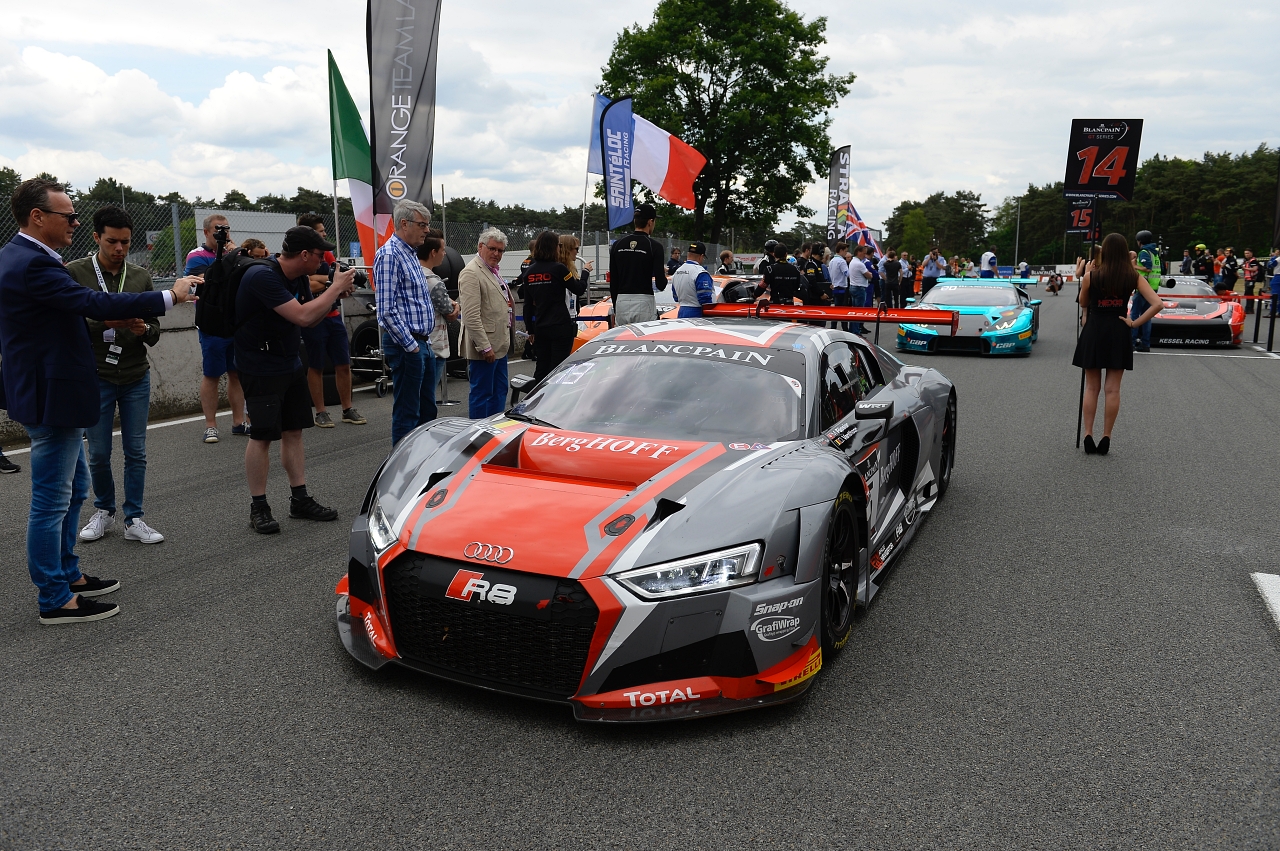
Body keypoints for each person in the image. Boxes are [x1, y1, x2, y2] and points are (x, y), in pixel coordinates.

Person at [0, 178, 196, 623]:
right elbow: (89, 301)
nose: (74, 222)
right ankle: (54, 597)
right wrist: (171, 295)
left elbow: (66, 311)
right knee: (52, 501)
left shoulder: (22, 256)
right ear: (37, 217)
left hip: (53, 392)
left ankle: (68, 574)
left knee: (74, 492)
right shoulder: (32, 262)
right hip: (53, 397)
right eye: (67, 216)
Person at [235, 226, 354, 533]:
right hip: (259, 365)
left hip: (289, 361)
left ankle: (299, 499)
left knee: (294, 431)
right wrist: (334, 289)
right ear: (303, 255)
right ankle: (258, 507)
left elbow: (309, 318)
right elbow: (301, 316)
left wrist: (332, 296)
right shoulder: (262, 276)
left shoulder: (298, 277)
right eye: (319, 255)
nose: (323, 260)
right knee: (262, 435)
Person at [65, 205, 165, 544]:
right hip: (96, 375)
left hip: (135, 374)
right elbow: (68, 325)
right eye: (112, 242)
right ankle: (104, 510)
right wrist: (103, 322)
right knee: (98, 452)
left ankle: (134, 517)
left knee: (136, 451)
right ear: (96, 237)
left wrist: (143, 329)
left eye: (125, 242)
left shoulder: (140, 276)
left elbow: (155, 329)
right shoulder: (75, 272)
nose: (120, 248)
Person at [1072, 232, 1163, 456]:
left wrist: (1087, 276)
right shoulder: (1132, 276)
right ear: (1124, 252)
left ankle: (1088, 434)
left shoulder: (1092, 276)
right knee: (1112, 389)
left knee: (1092, 387)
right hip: (1119, 329)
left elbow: (1083, 302)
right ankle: (1106, 436)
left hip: (1094, 329)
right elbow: (1157, 303)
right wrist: (1134, 323)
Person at [374, 200, 436, 444]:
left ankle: (422, 459)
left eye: (427, 225)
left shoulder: (409, 254)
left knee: (427, 412)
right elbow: (386, 310)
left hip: (422, 343)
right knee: (407, 413)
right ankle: (403, 463)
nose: (427, 230)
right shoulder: (390, 255)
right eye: (422, 224)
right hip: (408, 344)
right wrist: (411, 346)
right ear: (404, 223)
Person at [297, 213, 365, 429]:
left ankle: (347, 409)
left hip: (333, 316)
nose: (325, 234)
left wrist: (326, 282)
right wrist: (332, 284)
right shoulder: (300, 255)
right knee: (316, 365)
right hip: (313, 318)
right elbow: (307, 283)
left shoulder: (326, 253)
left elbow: (338, 278)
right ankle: (321, 412)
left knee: (343, 364)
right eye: (321, 231)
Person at [188, 213, 247, 443]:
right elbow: (213, 279)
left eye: (226, 228)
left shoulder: (235, 253)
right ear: (206, 232)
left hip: (234, 321)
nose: (224, 233)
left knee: (236, 373)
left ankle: (239, 422)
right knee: (212, 374)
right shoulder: (197, 256)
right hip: (211, 323)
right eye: (218, 229)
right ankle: (210, 425)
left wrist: (236, 253)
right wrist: (231, 256)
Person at [458, 227, 514, 418]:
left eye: (500, 250)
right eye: (492, 249)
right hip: (485, 348)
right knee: (482, 394)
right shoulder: (471, 272)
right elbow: (471, 315)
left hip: (499, 344)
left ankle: (494, 429)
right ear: (480, 247)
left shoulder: (492, 271)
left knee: (499, 391)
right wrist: (484, 347)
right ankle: (478, 432)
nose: (496, 254)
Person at [521, 230, 588, 386]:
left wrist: (530, 330)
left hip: (540, 327)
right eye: (558, 245)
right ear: (553, 247)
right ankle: (556, 397)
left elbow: (527, 305)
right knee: (559, 369)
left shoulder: (529, 272)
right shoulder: (559, 269)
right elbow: (579, 289)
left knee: (542, 368)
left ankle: (537, 397)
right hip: (560, 326)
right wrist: (585, 273)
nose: (559, 248)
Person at [416, 231, 461, 396]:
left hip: (415, 345)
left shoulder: (411, 275)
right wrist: (456, 305)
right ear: (433, 252)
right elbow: (449, 312)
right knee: (427, 396)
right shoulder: (434, 282)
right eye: (443, 250)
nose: (445, 254)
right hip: (435, 346)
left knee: (414, 396)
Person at [608, 204, 667, 324]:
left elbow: (613, 281)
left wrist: (616, 306)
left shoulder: (617, 245)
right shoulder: (655, 246)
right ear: (650, 222)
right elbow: (661, 285)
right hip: (644, 300)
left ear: (635, 221)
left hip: (621, 301)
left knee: (623, 336)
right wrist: (663, 273)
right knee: (645, 336)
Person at [1131, 230, 1162, 353]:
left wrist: (1134, 266)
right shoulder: (1155, 253)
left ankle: (1132, 342)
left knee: (1134, 315)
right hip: (1153, 288)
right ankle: (1145, 344)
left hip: (1144, 288)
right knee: (1147, 316)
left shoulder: (1144, 252)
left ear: (1140, 241)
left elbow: (1147, 268)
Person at [671, 241, 716, 318]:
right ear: (701, 256)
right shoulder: (700, 272)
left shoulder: (677, 272)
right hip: (697, 313)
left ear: (688, 254)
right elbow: (705, 298)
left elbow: (676, 297)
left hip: (681, 312)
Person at [847, 244, 873, 333]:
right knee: (859, 312)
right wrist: (870, 274)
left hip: (853, 286)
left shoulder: (852, 262)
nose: (865, 255)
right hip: (859, 288)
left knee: (854, 311)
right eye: (864, 253)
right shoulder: (859, 264)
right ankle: (856, 332)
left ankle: (852, 330)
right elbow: (869, 275)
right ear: (859, 252)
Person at [1240, 249, 1261, 314]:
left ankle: (1249, 308)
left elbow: (1255, 269)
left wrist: (1245, 268)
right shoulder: (1246, 261)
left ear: (1251, 253)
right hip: (1247, 278)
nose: (1246, 255)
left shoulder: (1253, 261)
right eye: (1245, 253)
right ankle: (1248, 308)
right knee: (1248, 293)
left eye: (1248, 253)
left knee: (1249, 293)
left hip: (1251, 279)